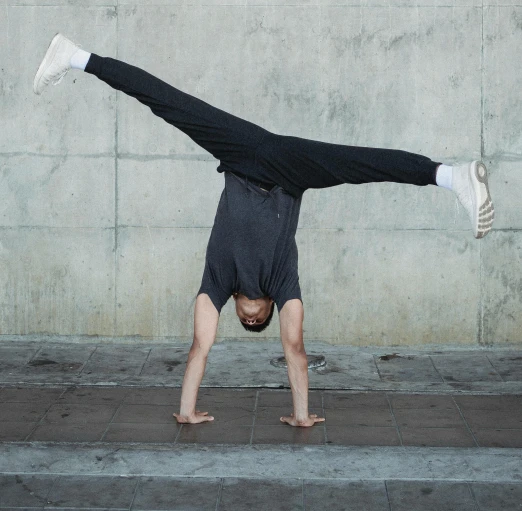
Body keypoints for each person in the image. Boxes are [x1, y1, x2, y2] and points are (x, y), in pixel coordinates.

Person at [33, 33, 494, 428]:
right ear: (271, 306)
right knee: (360, 164)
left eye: (245, 320)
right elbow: (294, 349)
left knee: (168, 103)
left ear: (235, 305)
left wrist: (186, 411)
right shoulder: (282, 282)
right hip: (285, 169)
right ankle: (453, 176)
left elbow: (200, 347)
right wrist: (300, 415)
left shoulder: (218, 283)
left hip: (241, 154)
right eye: (260, 320)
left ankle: (76, 56)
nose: (252, 318)